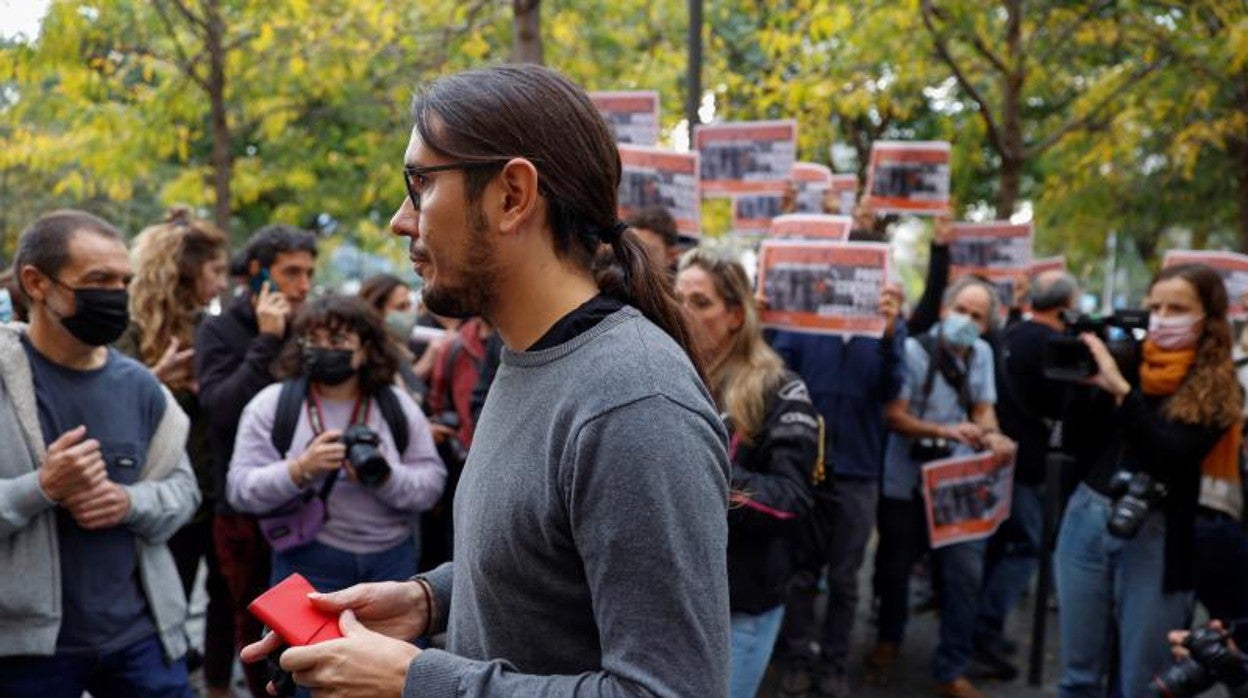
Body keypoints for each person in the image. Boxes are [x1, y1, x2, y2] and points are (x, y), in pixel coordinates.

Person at [243, 63, 730, 696]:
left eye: (419, 184)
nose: (401, 219)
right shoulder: (525, 354)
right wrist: (428, 600)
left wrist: (415, 678)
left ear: (511, 196)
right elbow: (549, 559)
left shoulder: (633, 402)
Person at [0, 209, 200, 696]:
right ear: (36, 283)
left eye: (123, 281)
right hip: (26, 652)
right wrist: (41, 488)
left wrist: (130, 503)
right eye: (98, 280)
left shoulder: (141, 387)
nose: (115, 295)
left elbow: (184, 490)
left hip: (141, 641)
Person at [1055, 263, 1242, 698]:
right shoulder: (1129, 361)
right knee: (1078, 677)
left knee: (1141, 683)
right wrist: (1085, 386)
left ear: (1207, 317)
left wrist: (1123, 393)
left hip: (1159, 535)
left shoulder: (1217, 385)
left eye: (1177, 308)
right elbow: (1079, 447)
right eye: (1155, 306)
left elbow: (1169, 452)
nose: (1162, 317)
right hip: (1088, 517)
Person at [676, 249, 821, 697]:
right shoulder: (663, 370)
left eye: (700, 302)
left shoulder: (779, 388)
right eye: (676, 298)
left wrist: (707, 479)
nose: (682, 311)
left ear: (736, 315)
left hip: (741, 605)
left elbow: (791, 497)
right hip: (669, 599)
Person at [227, 294, 445, 590]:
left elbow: (432, 485)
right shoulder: (272, 405)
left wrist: (385, 477)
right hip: (305, 556)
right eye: (312, 339)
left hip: (391, 562)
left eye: (337, 339)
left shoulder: (397, 406)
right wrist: (299, 470)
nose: (324, 349)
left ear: (365, 349)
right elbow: (239, 489)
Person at [873, 276, 1016, 698]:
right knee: (895, 566)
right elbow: (894, 416)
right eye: (962, 311)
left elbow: (983, 409)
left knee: (965, 574)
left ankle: (950, 666)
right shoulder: (914, 350)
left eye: (977, 316)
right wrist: (946, 431)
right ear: (943, 310)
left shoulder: (982, 354)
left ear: (988, 324)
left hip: (955, 484)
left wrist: (992, 437)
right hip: (906, 478)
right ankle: (889, 637)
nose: (968, 321)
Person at [768, 270, 907, 696]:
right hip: (808, 469)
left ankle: (834, 664)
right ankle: (797, 658)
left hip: (859, 472)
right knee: (801, 573)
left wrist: (887, 336)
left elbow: (892, 390)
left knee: (846, 579)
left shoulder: (887, 331)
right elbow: (776, 374)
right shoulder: (806, 327)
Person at [114, 206, 233, 696]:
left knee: (224, 596)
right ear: (186, 270)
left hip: (215, 486)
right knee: (167, 597)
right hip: (161, 489)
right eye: (216, 270)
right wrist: (155, 382)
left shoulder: (214, 325)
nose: (222, 284)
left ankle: (218, 684)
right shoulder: (133, 327)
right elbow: (108, 406)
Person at [196, 223, 317, 698]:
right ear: (256, 272)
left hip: (304, 505)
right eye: (291, 273)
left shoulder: (307, 323)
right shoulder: (219, 329)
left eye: (309, 273)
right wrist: (267, 340)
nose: (303, 285)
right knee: (251, 617)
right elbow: (222, 410)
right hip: (243, 511)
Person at [970, 270, 1079, 678]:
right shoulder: (1051, 344)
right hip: (1028, 463)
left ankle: (982, 627)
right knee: (1025, 545)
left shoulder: (1012, 334)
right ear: (1066, 306)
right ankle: (986, 627)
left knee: (1003, 543)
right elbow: (1063, 402)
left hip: (1004, 458)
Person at [625, 205, 680, 271]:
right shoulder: (613, 277)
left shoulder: (687, 279)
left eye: (645, 252)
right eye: (629, 250)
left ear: (670, 256)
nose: (635, 258)